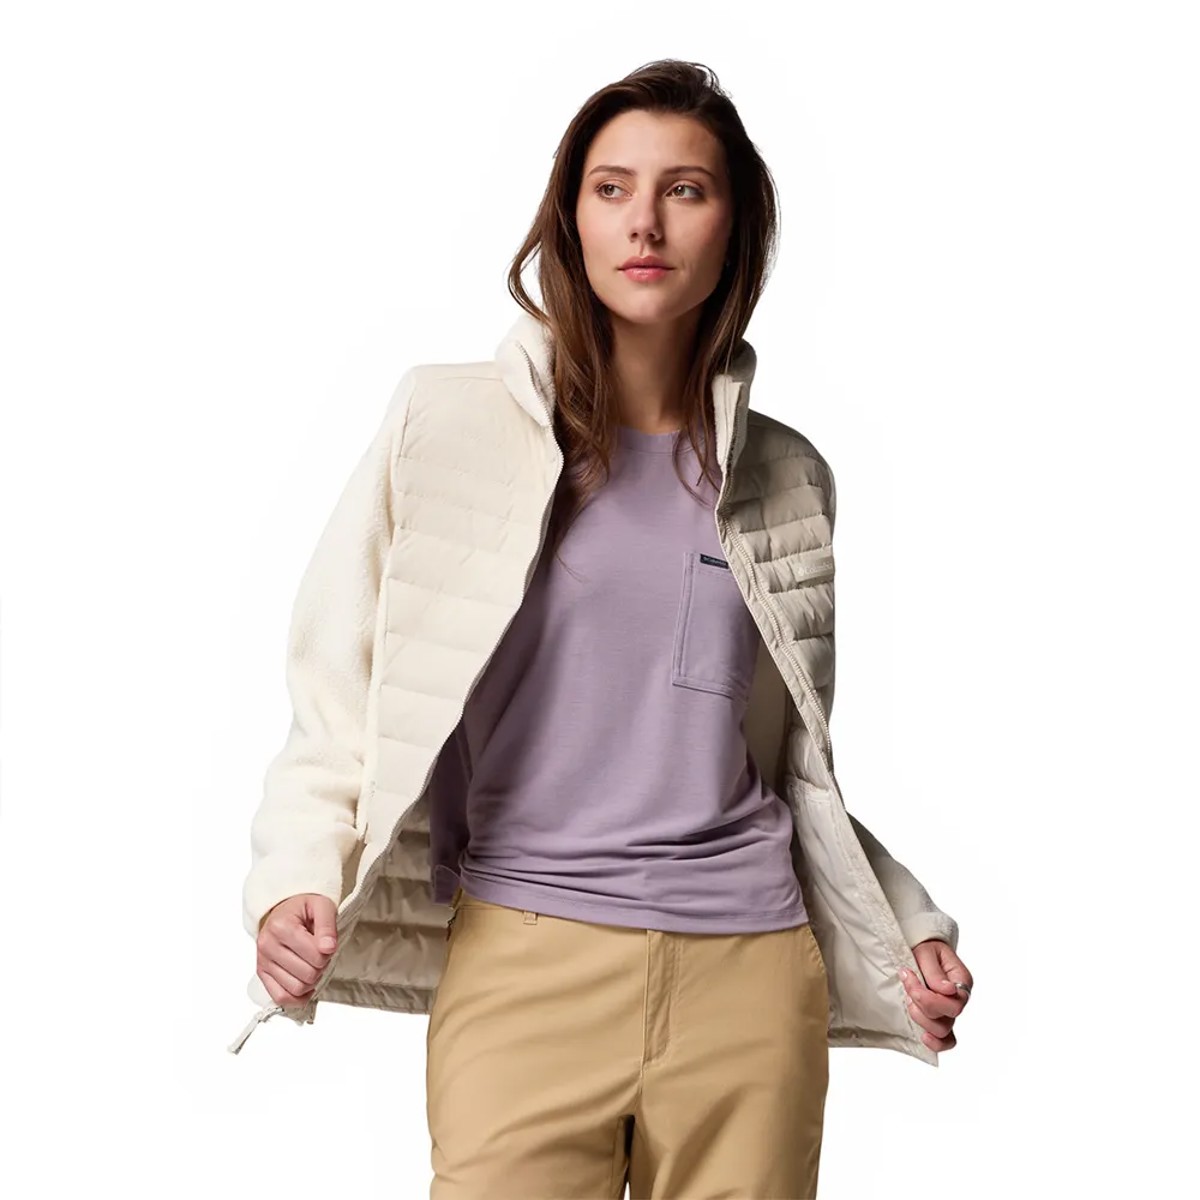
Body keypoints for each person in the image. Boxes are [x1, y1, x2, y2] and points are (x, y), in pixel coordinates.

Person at [230, 58, 974, 1200]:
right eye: (612, 187)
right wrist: (293, 875)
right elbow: (338, 688)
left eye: (686, 189)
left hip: (750, 978)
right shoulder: (446, 422)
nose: (645, 222)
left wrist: (906, 920)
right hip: (524, 960)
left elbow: (787, 767)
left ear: (736, 226)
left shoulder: (788, 475)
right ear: (569, 217)